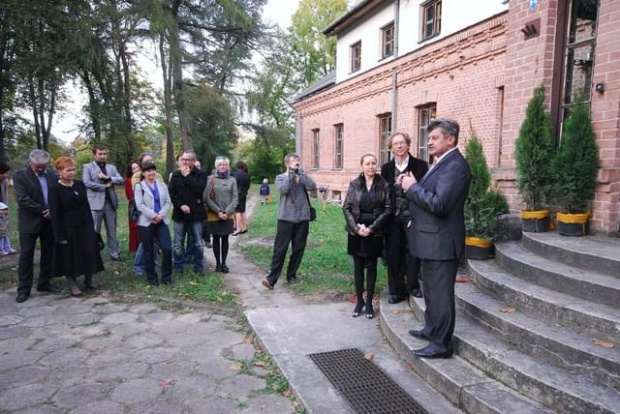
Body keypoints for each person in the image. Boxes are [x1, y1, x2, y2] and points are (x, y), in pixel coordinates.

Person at [401, 118, 471, 359]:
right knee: (431, 291)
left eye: (434, 138)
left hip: (441, 243)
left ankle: (441, 344)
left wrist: (412, 187)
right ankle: (431, 329)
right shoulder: (442, 163)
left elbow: (440, 204)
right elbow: (430, 199)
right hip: (430, 241)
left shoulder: (455, 166)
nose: (428, 142)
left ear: (450, 139)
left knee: (441, 295)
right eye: (428, 138)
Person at [343, 154, 393, 319]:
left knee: (371, 267)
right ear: (362, 165)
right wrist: (356, 228)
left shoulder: (383, 184)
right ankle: (359, 302)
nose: (371, 166)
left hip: (374, 231)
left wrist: (372, 228)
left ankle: (370, 302)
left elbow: (388, 208)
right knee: (358, 267)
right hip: (356, 231)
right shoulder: (355, 184)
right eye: (367, 163)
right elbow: (346, 207)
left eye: (373, 163)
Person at [381, 132, 429, 303]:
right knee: (393, 253)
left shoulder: (420, 166)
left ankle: (413, 286)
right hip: (392, 218)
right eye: (396, 144)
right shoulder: (386, 168)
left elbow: (425, 192)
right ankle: (396, 291)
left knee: (413, 251)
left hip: (412, 216)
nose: (399, 146)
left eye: (402, 143)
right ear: (391, 148)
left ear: (408, 145)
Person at [49, 157, 104, 297]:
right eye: (68, 170)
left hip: (85, 226)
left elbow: (86, 206)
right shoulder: (55, 189)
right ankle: (73, 284)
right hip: (69, 228)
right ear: (59, 171)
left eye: (73, 170)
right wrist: (59, 235)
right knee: (70, 257)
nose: (72, 172)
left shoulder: (79, 185)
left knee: (89, 253)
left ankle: (89, 280)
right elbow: (55, 214)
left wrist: (92, 228)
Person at [262, 153, 317, 290]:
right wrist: (292, 175)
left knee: (298, 248)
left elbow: (312, 186)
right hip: (285, 218)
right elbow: (284, 190)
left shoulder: (302, 177)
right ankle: (271, 279)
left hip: (302, 218)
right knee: (280, 249)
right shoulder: (281, 178)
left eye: (298, 162)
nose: (297, 164)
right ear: (287, 164)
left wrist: (301, 175)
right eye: (294, 162)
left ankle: (291, 275)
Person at [13, 149, 59, 303]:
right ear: (30, 162)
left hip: (49, 221)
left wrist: (53, 210)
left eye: (43, 166)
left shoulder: (52, 174)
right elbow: (22, 199)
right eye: (37, 166)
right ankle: (24, 289)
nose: (40, 169)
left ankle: (44, 283)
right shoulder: (20, 176)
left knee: (49, 253)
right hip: (29, 222)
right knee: (26, 255)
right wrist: (43, 210)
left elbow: (57, 194)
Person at [83, 144, 124, 261]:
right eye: (100, 154)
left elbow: (120, 180)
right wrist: (104, 187)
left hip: (110, 203)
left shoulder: (111, 168)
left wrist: (108, 177)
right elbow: (87, 183)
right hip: (95, 204)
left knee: (112, 230)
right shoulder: (88, 167)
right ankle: (93, 254)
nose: (102, 156)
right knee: (94, 230)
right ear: (94, 155)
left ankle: (115, 253)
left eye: (104, 154)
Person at [168, 150, 207, 274]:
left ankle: (199, 266)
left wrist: (188, 176)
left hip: (196, 214)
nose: (184, 161)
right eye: (183, 159)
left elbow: (199, 189)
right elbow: (171, 193)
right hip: (180, 214)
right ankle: (178, 267)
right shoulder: (175, 175)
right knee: (178, 243)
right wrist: (181, 205)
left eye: (187, 159)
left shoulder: (201, 174)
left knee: (198, 243)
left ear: (194, 161)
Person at [134, 162, 173, 286]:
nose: (151, 173)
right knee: (149, 251)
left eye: (153, 170)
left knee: (167, 248)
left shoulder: (162, 185)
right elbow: (139, 205)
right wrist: (153, 215)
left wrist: (160, 215)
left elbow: (168, 202)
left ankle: (166, 276)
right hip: (146, 223)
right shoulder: (139, 187)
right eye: (148, 171)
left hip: (161, 221)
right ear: (143, 173)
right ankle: (152, 278)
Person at [131, 153, 163, 275]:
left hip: (158, 212)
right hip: (145, 213)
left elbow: (162, 191)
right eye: (146, 161)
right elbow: (139, 194)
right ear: (141, 164)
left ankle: (151, 264)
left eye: (151, 160)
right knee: (147, 239)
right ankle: (139, 266)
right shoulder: (136, 176)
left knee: (155, 240)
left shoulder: (158, 175)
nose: (149, 162)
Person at [205, 156, 238, 273]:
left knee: (225, 239)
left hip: (227, 215)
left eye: (224, 164)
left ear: (228, 166)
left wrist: (227, 212)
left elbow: (235, 198)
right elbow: (207, 197)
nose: (222, 166)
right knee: (216, 238)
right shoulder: (211, 179)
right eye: (220, 164)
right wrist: (218, 211)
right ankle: (217, 264)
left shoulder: (232, 180)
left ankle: (224, 263)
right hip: (214, 214)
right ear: (216, 166)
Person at [124, 162, 141, 253]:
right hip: (133, 206)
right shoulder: (128, 180)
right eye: (133, 168)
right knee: (134, 226)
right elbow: (129, 195)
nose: (136, 170)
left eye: (137, 167)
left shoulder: (144, 178)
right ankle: (135, 248)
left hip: (145, 205)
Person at [232, 161, 250, 235]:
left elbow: (233, 185)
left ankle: (238, 228)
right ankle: (244, 227)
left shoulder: (236, 174)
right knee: (243, 211)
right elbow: (248, 186)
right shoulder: (247, 175)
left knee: (238, 211)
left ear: (237, 167)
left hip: (238, 195)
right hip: (244, 194)